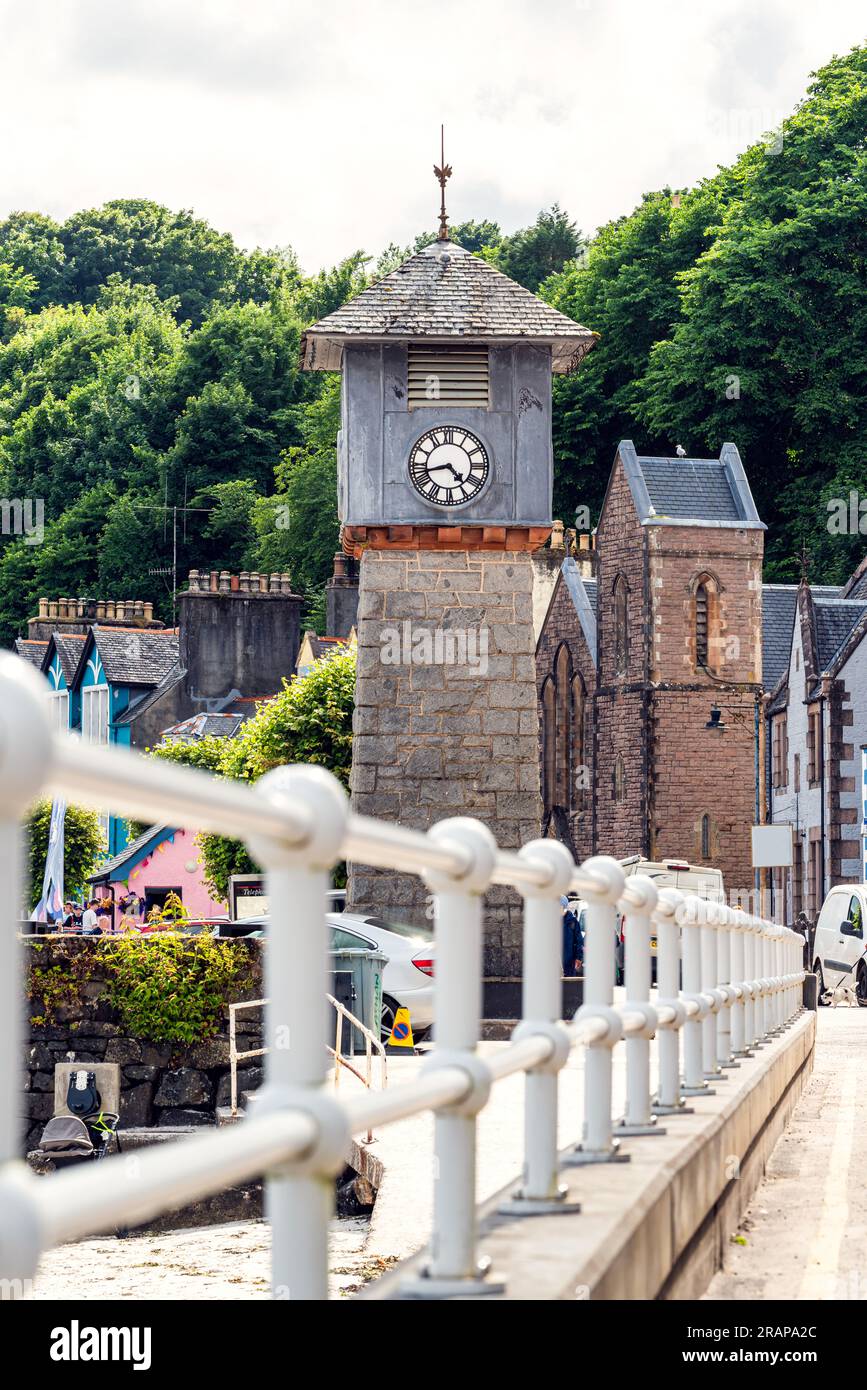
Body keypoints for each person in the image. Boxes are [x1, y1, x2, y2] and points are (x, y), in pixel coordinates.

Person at [561, 896, 582, 977]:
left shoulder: (573, 921)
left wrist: (579, 957)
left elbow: (579, 941)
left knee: (568, 986)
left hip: (569, 962)